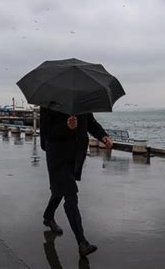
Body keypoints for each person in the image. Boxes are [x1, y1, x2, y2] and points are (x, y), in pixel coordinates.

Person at [40, 107, 113, 257]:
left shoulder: (81, 100)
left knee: (60, 189)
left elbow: (90, 123)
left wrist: (104, 136)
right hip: (57, 156)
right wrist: (66, 126)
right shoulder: (49, 102)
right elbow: (46, 132)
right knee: (70, 194)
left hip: (74, 156)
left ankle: (48, 217)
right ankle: (82, 242)